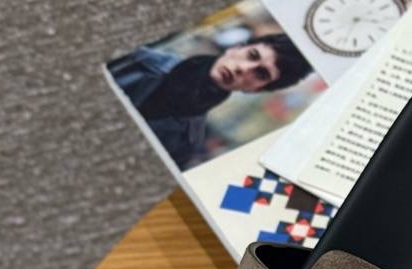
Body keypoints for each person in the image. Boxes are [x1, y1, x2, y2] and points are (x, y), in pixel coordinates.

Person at [110, 34, 312, 168]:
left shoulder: (186, 143)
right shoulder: (136, 59)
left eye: (261, 73)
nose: (243, 68)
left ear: (255, 90)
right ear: (236, 48)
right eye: (251, 55)